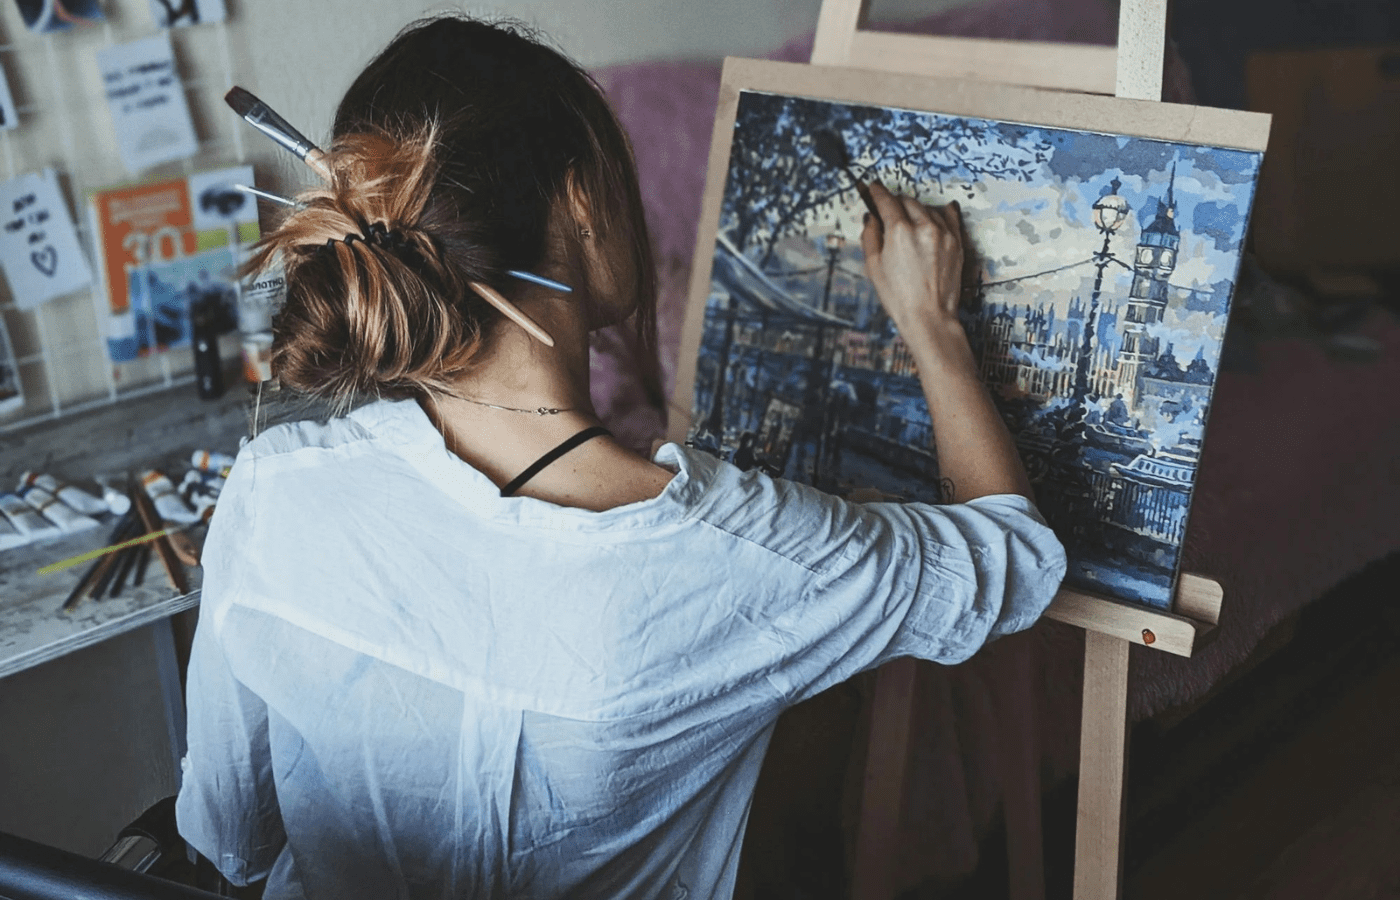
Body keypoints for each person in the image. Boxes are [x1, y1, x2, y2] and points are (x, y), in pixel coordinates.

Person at [175, 14, 1066, 900]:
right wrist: (933, 324)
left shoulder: (275, 489)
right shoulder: (728, 550)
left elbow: (233, 838)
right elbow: (1016, 561)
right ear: (580, 203)